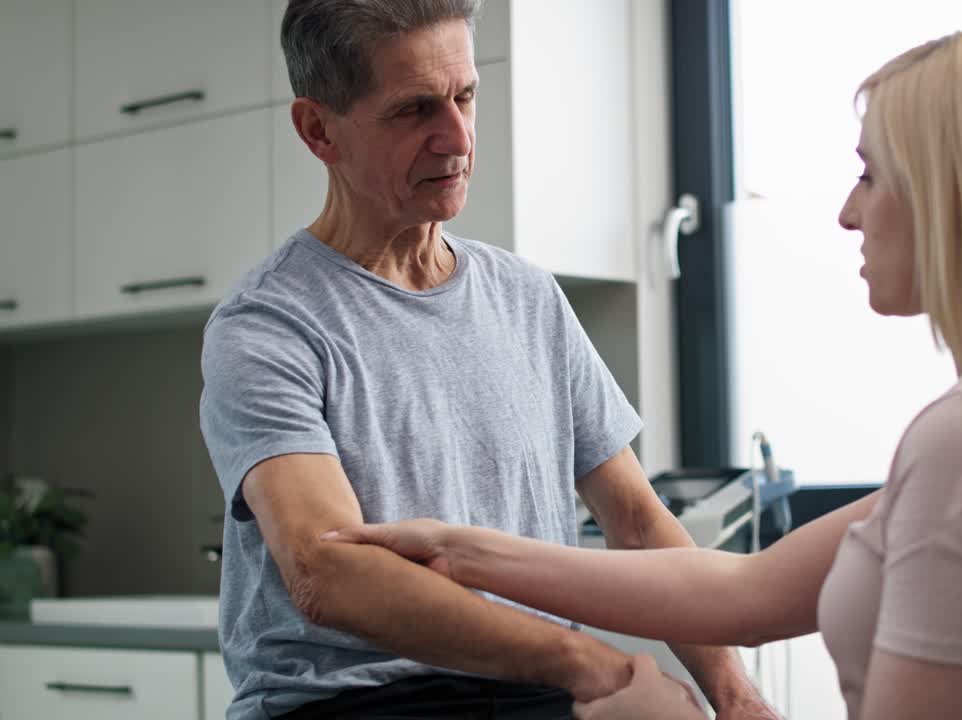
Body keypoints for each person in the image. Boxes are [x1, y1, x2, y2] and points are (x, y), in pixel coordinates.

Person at [327, 26, 962, 720]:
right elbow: (743, 587)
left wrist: (620, 694)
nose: (850, 211)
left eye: (870, 174)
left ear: (953, 197)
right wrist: (459, 548)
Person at [198, 1, 774, 718]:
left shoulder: (526, 297)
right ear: (320, 130)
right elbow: (328, 573)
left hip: (532, 693)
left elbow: (635, 519)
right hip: (356, 702)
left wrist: (736, 693)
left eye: (465, 96)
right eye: (414, 111)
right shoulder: (268, 325)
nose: (458, 137)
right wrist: (588, 661)